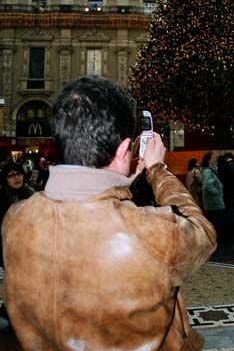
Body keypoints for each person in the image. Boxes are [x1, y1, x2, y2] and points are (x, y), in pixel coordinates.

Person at [2, 75, 216, 350]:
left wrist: (125, 177)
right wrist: (157, 170)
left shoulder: (16, 218)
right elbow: (202, 231)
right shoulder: (153, 231)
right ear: (124, 149)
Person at [0, 162, 35, 266]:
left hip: (31, 245)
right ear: (5, 179)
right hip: (7, 246)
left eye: (19, 174)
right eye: (11, 175)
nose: (16, 178)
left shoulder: (31, 194)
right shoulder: (2, 197)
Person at [201, 151, 225, 239]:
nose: (215, 160)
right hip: (213, 202)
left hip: (215, 202)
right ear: (208, 160)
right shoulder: (207, 171)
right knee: (215, 222)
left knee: (216, 221)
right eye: (213, 158)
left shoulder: (212, 169)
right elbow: (208, 185)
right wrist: (217, 192)